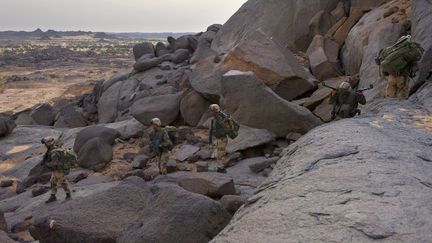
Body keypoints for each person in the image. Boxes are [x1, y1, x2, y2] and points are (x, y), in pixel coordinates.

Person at [41, 137, 74, 203]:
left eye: (45, 143)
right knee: (53, 182)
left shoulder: (54, 152)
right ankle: (53, 196)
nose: (44, 145)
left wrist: (47, 164)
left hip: (58, 169)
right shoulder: (51, 149)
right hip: (55, 170)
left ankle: (68, 195)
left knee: (62, 182)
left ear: (49, 144)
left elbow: (54, 163)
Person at [208, 104, 239, 173]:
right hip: (217, 139)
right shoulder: (214, 119)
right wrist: (210, 142)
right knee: (218, 153)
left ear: (214, 111)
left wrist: (220, 113)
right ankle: (221, 166)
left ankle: (221, 168)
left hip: (222, 138)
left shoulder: (222, 118)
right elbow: (211, 130)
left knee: (220, 154)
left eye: (211, 111)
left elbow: (227, 118)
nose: (210, 112)